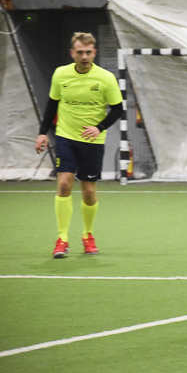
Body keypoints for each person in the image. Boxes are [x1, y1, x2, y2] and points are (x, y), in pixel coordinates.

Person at [35, 32, 123, 258]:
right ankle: (62, 239)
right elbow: (52, 104)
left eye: (88, 52)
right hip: (66, 136)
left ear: (94, 53)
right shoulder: (60, 74)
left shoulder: (105, 78)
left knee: (89, 191)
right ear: (72, 53)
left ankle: (87, 235)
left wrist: (99, 127)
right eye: (80, 52)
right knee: (64, 184)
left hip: (92, 141)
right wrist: (43, 133)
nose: (84, 57)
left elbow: (118, 109)